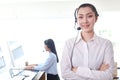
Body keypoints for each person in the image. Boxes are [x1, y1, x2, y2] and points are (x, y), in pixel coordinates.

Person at [60, 3, 115, 80]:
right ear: (77, 20)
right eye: (81, 17)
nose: (85, 21)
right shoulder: (69, 44)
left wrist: (78, 70)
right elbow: (65, 74)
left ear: (96, 18)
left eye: (89, 16)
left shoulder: (106, 44)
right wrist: (98, 72)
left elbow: (109, 76)